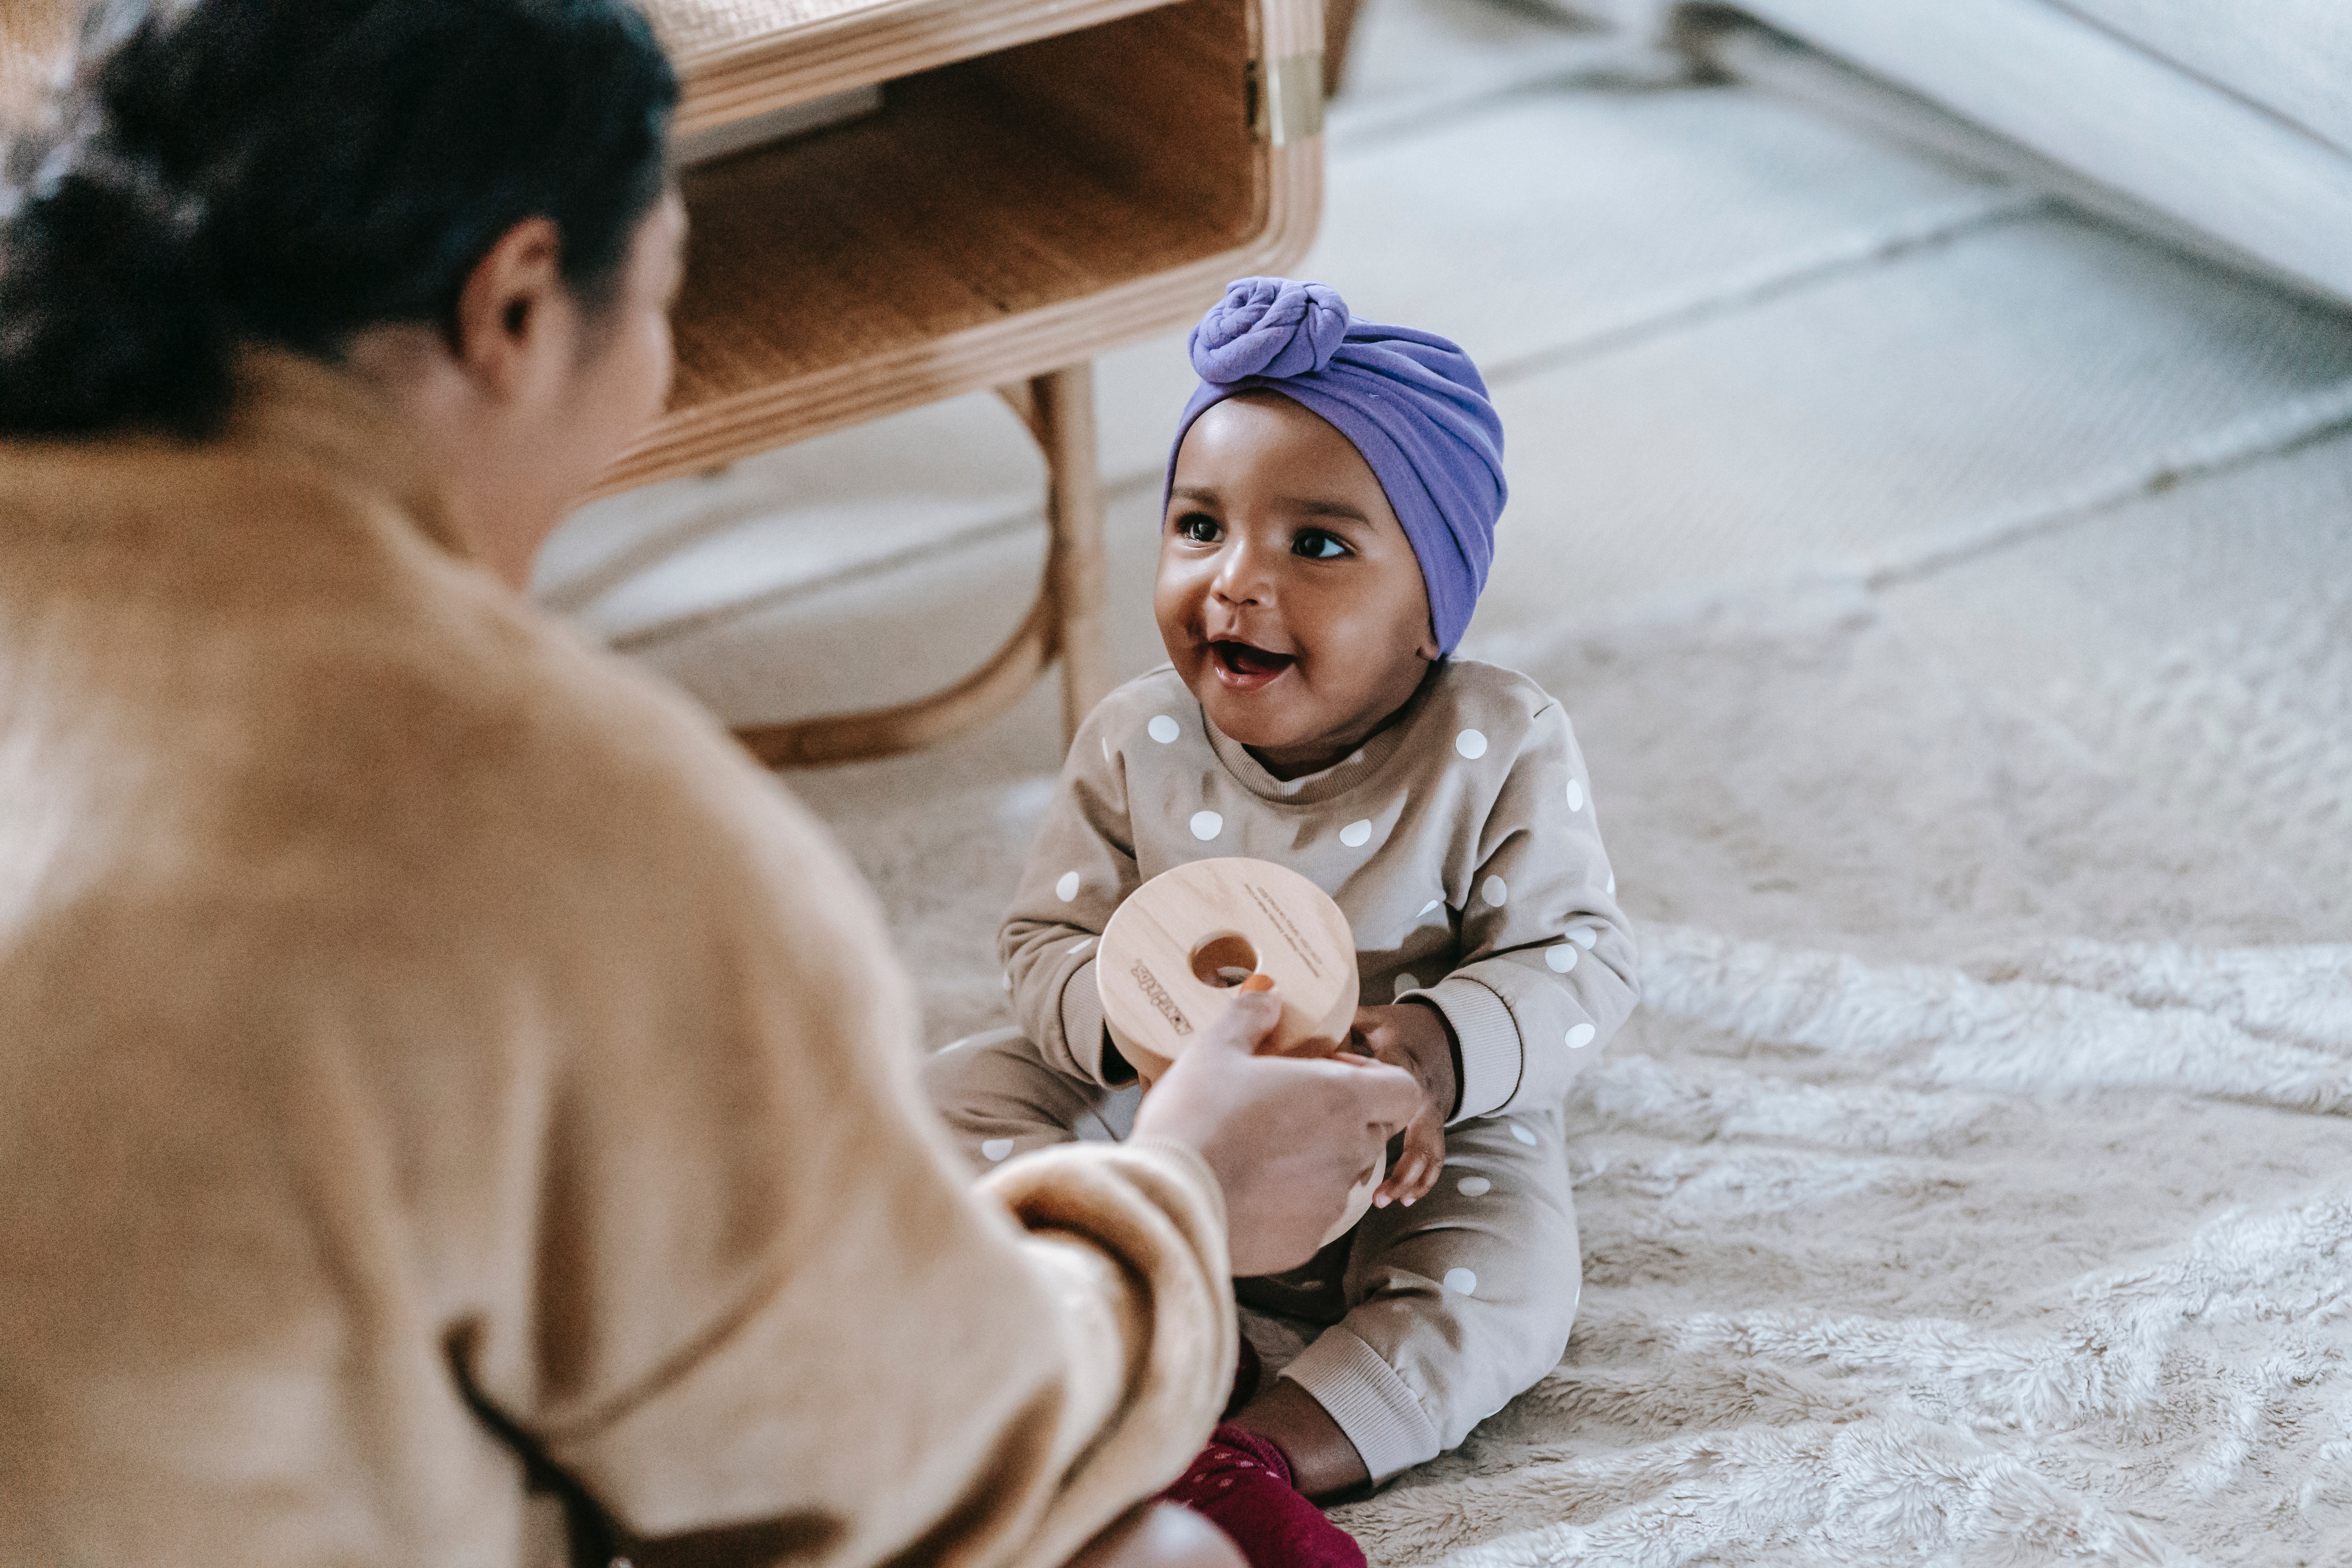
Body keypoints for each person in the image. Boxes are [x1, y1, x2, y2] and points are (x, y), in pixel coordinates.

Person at [0, 7, 1424, 1566]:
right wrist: (1183, 1198)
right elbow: (916, 1456)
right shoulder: (559, 819)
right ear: (519, 304)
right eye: (668, 295)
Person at [924, 278, 1643, 1558]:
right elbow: (1044, 943)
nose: (1235, 583)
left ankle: (1250, 1449)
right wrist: (1128, 1036)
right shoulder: (1139, 736)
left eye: (1316, 546)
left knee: (1516, 1275)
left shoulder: (1494, 742)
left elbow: (1581, 959)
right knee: (952, 1103)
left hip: (1400, 1152)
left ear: (1434, 611)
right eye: (1200, 527)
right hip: (1158, 1125)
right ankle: (1117, 1356)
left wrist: (1434, 1049)